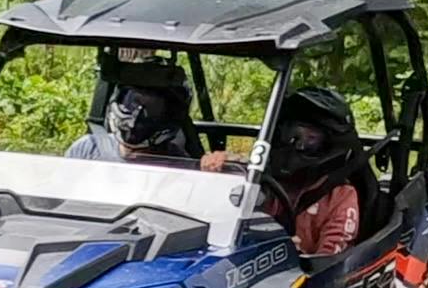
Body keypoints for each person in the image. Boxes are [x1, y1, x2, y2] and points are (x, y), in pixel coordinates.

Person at [201, 86, 362, 256]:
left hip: (295, 277)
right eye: (293, 134)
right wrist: (217, 165)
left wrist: (293, 255)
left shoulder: (340, 195)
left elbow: (331, 261)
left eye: (311, 139)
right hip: (242, 265)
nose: (298, 145)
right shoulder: (260, 176)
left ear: (329, 145)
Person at [66, 64, 198, 165]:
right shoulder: (87, 149)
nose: (137, 115)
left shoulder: (181, 167)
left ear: (170, 115)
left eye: (151, 109)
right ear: (118, 100)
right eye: (132, 103)